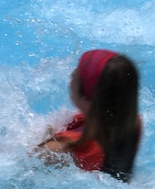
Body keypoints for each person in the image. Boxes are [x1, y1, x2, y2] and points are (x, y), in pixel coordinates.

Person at [38, 49, 142, 182]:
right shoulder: (132, 123)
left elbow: (15, 169)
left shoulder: (62, 148)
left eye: (76, 75)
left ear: (87, 99)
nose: (72, 74)